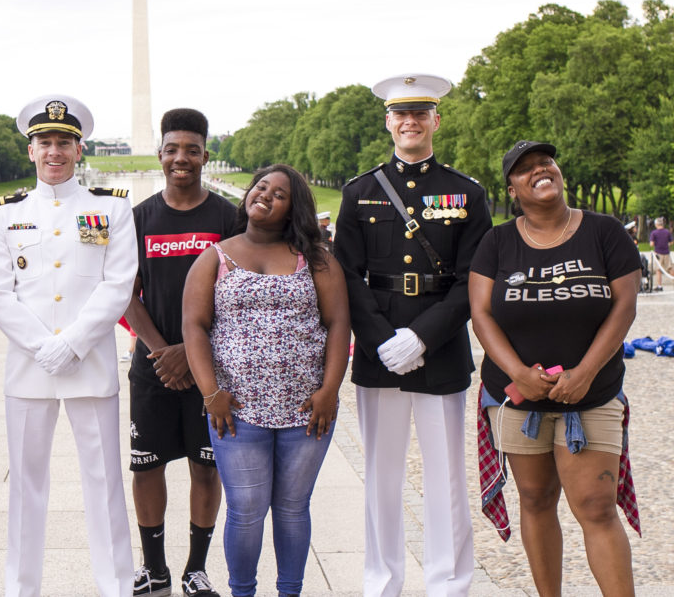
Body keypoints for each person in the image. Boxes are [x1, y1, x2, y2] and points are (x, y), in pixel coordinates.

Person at [332, 74, 491, 597]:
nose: (410, 122)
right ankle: (382, 581)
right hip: (380, 350)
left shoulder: (467, 192)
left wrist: (421, 336)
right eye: (401, 114)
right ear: (388, 122)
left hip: (440, 345)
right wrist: (380, 338)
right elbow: (346, 275)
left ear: (435, 121)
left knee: (446, 476)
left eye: (420, 114)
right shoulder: (360, 192)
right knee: (381, 475)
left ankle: (449, 584)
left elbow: (473, 279)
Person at [469, 140, 641, 597]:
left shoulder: (605, 232)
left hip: (594, 394)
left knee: (596, 507)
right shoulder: (497, 241)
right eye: (525, 169)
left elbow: (624, 306)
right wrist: (518, 373)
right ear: (512, 188)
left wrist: (585, 371)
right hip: (517, 398)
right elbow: (481, 313)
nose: (539, 170)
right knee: (537, 500)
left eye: (545, 162)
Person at [0, 95, 137, 597]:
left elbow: (118, 285)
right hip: (28, 371)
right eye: (44, 142)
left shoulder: (110, 208)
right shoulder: (6, 218)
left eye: (63, 143)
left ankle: (114, 586)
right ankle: (20, 589)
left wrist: (70, 344)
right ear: (30, 151)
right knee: (25, 491)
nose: (54, 151)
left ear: (79, 148)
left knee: (105, 484)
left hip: (88, 364)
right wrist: (40, 346)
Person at [183, 164, 351, 597]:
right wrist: (212, 393)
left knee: (293, 509)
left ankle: (289, 592)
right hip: (236, 410)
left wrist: (329, 391)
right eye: (261, 187)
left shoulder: (315, 260)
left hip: (305, 410)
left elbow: (337, 326)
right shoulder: (216, 256)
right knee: (245, 511)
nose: (266, 196)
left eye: (280, 193)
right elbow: (194, 328)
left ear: (293, 208)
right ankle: (243, 592)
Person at [123, 108, 239, 597]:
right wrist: (162, 353)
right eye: (172, 149)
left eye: (191, 150)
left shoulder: (229, 218)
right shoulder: (140, 217)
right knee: (146, 465)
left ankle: (195, 568)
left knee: (205, 465)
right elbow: (124, 293)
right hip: (153, 367)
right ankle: (155, 568)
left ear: (205, 156)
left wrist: (193, 355)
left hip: (210, 368)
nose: (181, 158)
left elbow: (240, 295)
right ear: (160, 154)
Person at [649, 216, 671, 290]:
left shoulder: (654, 233)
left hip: (658, 253)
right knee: (670, 268)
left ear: (656, 224)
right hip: (667, 253)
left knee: (658, 270)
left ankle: (659, 286)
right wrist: (667, 244)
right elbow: (671, 241)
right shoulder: (667, 232)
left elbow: (651, 244)